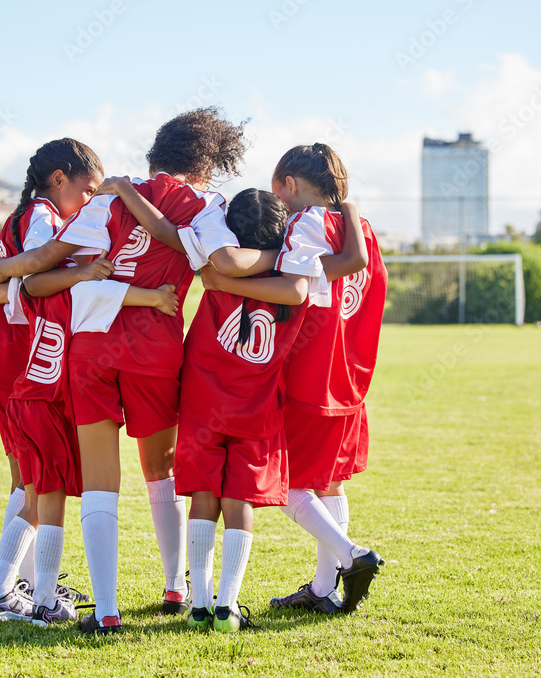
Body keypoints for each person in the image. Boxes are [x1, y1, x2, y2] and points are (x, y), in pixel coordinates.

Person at [0, 107, 277, 635]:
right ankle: (174, 586)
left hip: (90, 350)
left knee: (100, 482)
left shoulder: (107, 198)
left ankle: (106, 609)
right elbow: (221, 262)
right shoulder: (206, 204)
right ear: (207, 164)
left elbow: (58, 262)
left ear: (156, 153)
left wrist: (1, 275)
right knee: (160, 470)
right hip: (156, 353)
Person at [204, 143, 387, 614]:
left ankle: (352, 556)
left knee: (286, 485)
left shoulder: (305, 224)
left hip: (311, 373)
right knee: (329, 483)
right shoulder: (359, 229)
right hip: (350, 374)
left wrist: (226, 281)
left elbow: (295, 287)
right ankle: (324, 590)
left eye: (276, 189)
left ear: (288, 185)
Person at [0, 266, 178, 625]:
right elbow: (113, 293)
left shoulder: (36, 294)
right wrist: (155, 297)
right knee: (48, 509)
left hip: (23, 401)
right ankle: (43, 602)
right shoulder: (78, 294)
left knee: (34, 501)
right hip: (47, 407)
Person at [0, 138, 104, 620]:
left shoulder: (21, 216)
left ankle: (20, 587)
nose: (89, 203)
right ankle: (13, 589)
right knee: (35, 480)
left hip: (7, 357)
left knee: (29, 479)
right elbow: (34, 266)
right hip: (21, 360)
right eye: (86, 191)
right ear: (59, 179)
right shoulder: (45, 216)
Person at [172, 188, 311, 632]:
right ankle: (228, 607)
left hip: (202, 399)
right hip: (255, 405)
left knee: (203, 494)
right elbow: (305, 285)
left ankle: (199, 604)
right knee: (239, 498)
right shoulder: (292, 287)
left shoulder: (215, 268)